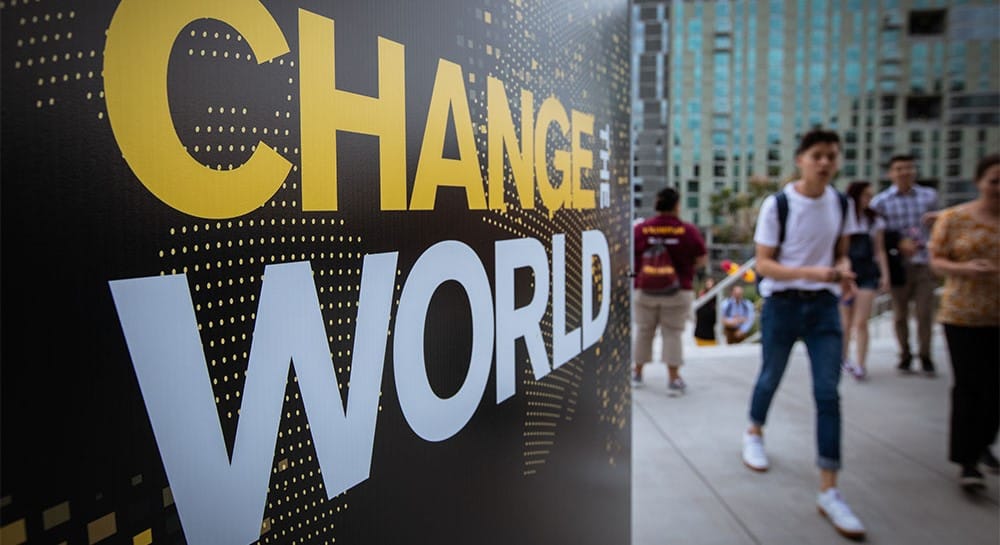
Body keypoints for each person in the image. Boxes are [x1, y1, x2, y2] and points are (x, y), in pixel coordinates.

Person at [741, 129, 866, 540]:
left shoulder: (842, 203)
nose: (825, 163)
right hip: (783, 305)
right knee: (770, 376)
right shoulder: (778, 204)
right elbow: (764, 265)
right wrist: (815, 272)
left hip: (824, 309)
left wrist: (842, 271)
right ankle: (754, 430)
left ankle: (829, 489)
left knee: (828, 393)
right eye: (817, 155)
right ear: (801, 159)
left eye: (832, 155)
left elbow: (842, 250)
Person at [928, 153, 1000, 491]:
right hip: (963, 314)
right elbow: (936, 261)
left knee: (994, 388)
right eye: (994, 180)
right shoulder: (955, 218)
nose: (998, 188)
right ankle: (966, 460)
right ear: (979, 182)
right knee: (970, 385)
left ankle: (984, 442)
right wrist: (965, 269)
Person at [869, 155, 940, 375]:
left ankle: (926, 356)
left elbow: (939, 229)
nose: (904, 172)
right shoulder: (881, 202)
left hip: (924, 263)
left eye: (908, 168)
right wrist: (897, 243)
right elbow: (875, 236)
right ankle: (905, 355)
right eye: (899, 169)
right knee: (899, 314)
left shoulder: (929, 197)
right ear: (891, 173)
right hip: (898, 265)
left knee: (924, 312)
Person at [633, 187, 707, 395]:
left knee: (644, 331)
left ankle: (637, 372)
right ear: (677, 205)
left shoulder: (641, 230)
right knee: (672, 333)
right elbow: (701, 260)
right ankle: (673, 378)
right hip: (678, 291)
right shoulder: (688, 230)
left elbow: (629, 256)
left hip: (644, 290)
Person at [840, 181, 891, 380]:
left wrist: (885, 275)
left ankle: (860, 363)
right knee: (845, 321)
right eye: (865, 195)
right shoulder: (843, 217)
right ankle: (843, 358)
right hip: (847, 272)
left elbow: (880, 250)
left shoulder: (873, 220)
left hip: (867, 272)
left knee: (861, 321)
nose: (869, 200)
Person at [693, 278, 718, 346]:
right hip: (700, 331)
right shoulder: (702, 295)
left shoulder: (717, 297)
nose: (709, 286)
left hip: (711, 333)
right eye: (707, 284)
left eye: (711, 284)